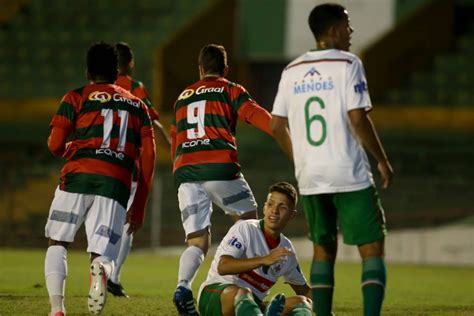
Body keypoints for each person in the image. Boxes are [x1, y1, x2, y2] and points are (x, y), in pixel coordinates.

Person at [271, 4, 394, 316]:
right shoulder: (349, 63)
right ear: (335, 29)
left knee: (323, 250)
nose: (351, 32)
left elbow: (275, 124)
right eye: (347, 25)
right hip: (347, 171)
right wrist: (381, 158)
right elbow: (357, 117)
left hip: (310, 175)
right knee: (372, 249)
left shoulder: (292, 70)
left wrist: (298, 157)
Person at [44, 42, 156, 315]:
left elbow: (55, 144)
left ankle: (57, 309)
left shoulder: (75, 97)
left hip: (77, 177)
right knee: (103, 253)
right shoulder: (137, 105)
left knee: (58, 242)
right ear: (117, 73)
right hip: (116, 183)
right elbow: (149, 157)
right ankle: (101, 272)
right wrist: (139, 204)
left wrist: (70, 147)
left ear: (87, 71)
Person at [170, 44, 273, 315]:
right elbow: (254, 114)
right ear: (225, 69)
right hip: (218, 166)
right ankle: (242, 291)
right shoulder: (230, 89)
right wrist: (280, 130)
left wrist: (178, 173)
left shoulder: (182, 97)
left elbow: (175, 140)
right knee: (250, 223)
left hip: (186, 171)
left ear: (200, 69)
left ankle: (182, 286)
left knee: (197, 240)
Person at [106, 42, 171, 298]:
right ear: (130, 63)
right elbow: (153, 121)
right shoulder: (135, 88)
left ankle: (98, 271)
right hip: (127, 165)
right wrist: (171, 146)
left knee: (101, 220)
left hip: (98, 163)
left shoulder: (97, 89)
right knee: (127, 224)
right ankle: (113, 276)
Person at [197, 182, 313, 316]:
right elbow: (223, 266)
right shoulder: (245, 228)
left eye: (282, 207)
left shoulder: (286, 250)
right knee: (243, 293)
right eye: (270, 204)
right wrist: (264, 259)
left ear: (292, 214)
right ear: (264, 208)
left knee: (303, 302)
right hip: (216, 294)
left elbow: (303, 290)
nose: (274, 210)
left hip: (253, 305)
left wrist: (326, 311)